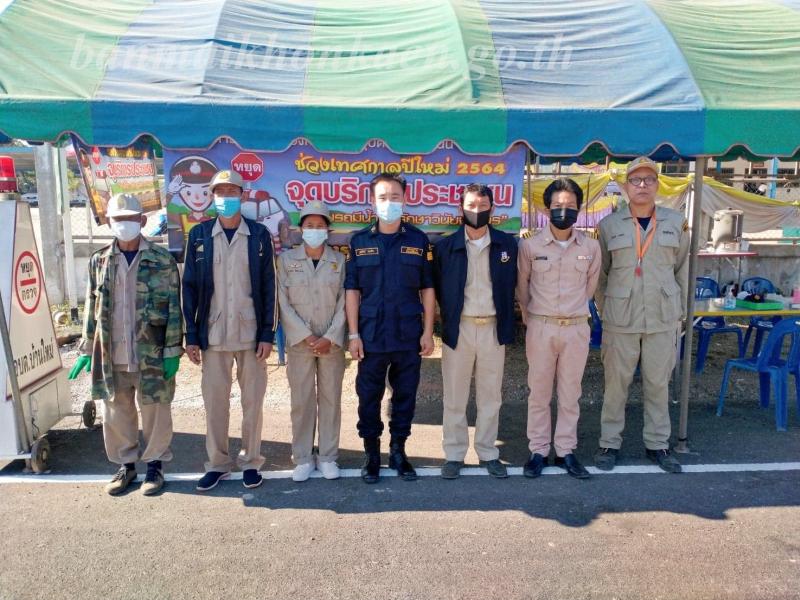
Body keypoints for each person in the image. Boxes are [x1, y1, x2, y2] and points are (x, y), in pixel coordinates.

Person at [69, 193, 183, 496]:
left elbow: (175, 308)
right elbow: (91, 307)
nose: (124, 224)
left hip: (151, 352)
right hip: (112, 352)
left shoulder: (162, 260)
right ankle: (126, 465)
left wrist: (173, 350)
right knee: (116, 411)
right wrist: (87, 349)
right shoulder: (99, 261)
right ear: (109, 222)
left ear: (142, 221)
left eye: (130, 219)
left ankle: (155, 466)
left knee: (156, 410)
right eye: (118, 220)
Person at [182, 169, 277, 491]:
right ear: (212, 197)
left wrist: (267, 333)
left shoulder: (259, 235)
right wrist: (191, 335)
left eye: (232, 192)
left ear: (243, 195)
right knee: (215, 404)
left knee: (253, 403)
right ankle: (218, 464)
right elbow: (189, 287)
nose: (226, 198)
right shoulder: (199, 236)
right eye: (220, 192)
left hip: (251, 336)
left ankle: (251, 462)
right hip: (213, 335)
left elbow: (269, 286)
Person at [594, 157, 689, 473]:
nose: (642, 185)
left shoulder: (676, 222)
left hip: (662, 317)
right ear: (626, 186)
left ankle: (658, 444)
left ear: (658, 185)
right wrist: (606, 309)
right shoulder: (609, 226)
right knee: (615, 384)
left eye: (649, 179)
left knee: (658, 383)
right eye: (636, 180)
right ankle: (609, 443)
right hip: (620, 318)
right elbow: (601, 276)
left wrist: (679, 312)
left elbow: (682, 270)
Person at [344, 172, 435, 484]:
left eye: (395, 196)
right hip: (370, 336)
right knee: (368, 397)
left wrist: (428, 332)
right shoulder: (359, 241)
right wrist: (353, 335)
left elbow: (428, 289)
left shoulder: (418, 240)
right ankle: (371, 454)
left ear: (405, 199)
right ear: (372, 201)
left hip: (408, 335)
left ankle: (398, 452)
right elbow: (352, 291)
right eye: (383, 197)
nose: (389, 202)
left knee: (405, 396)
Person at [517, 178, 600, 479]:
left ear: (579, 209)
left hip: (576, 328)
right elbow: (522, 287)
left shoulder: (590, 246)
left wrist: (571, 311)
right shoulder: (530, 245)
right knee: (538, 393)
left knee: (570, 393)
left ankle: (565, 451)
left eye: (570, 205)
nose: (563, 210)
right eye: (557, 205)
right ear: (546, 208)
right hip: (541, 326)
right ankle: (538, 450)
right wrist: (533, 317)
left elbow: (590, 288)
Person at [432, 183, 517, 479]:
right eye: (470, 205)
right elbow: (436, 289)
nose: (476, 211)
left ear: (492, 208)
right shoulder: (445, 248)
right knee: (454, 396)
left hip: (493, 327)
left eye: (482, 206)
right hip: (460, 328)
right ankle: (454, 454)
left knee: (490, 396)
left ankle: (488, 452)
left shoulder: (507, 245)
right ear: (460, 208)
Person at [277, 200, 346, 482]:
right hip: (300, 344)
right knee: (302, 401)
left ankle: (328, 456)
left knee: (331, 399)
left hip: (331, 344)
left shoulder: (339, 261)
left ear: (327, 230)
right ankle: (303, 457)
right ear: (301, 229)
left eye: (319, 225)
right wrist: (306, 335)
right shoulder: (285, 261)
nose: (314, 230)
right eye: (309, 225)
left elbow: (346, 301)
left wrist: (330, 336)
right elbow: (282, 302)